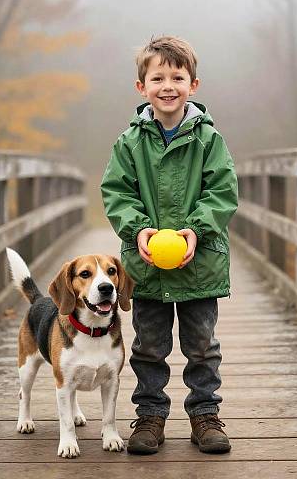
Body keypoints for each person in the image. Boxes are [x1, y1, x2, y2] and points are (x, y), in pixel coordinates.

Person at [100, 36, 238, 455]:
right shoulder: (129, 143)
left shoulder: (209, 141)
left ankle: (205, 416)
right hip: (146, 268)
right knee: (148, 346)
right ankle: (150, 417)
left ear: (193, 85)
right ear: (141, 87)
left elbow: (223, 191)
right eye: (157, 77)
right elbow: (116, 193)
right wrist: (138, 229)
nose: (168, 85)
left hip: (201, 266)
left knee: (202, 347)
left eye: (177, 77)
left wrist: (196, 229)